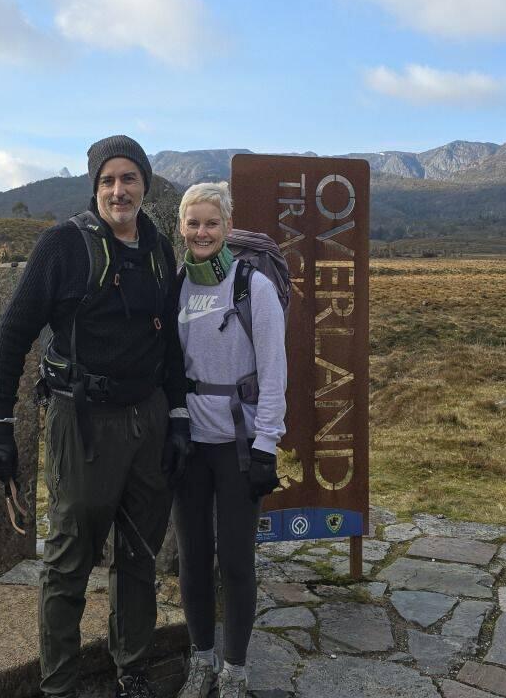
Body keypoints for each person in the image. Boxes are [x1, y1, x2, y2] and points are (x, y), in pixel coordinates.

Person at [0, 135, 191, 698]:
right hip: (82, 422)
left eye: (128, 179)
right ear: (95, 187)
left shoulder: (158, 249)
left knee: (140, 556)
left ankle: (133, 669)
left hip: (147, 420)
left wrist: (179, 415)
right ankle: (60, 685)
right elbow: (12, 336)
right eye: (107, 180)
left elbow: (168, 341)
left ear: (144, 184)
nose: (118, 190)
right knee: (70, 560)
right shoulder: (63, 247)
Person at [172, 181, 286, 698]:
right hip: (190, 443)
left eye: (211, 223)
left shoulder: (251, 286)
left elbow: (274, 369)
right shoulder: (176, 285)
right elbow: (170, 365)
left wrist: (268, 443)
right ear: (181, 228)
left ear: (226, 227)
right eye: (193, 223)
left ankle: (235, 668)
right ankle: (202, 659)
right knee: (194, 558)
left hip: (239, 444)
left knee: (237, 560)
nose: (202, 232)